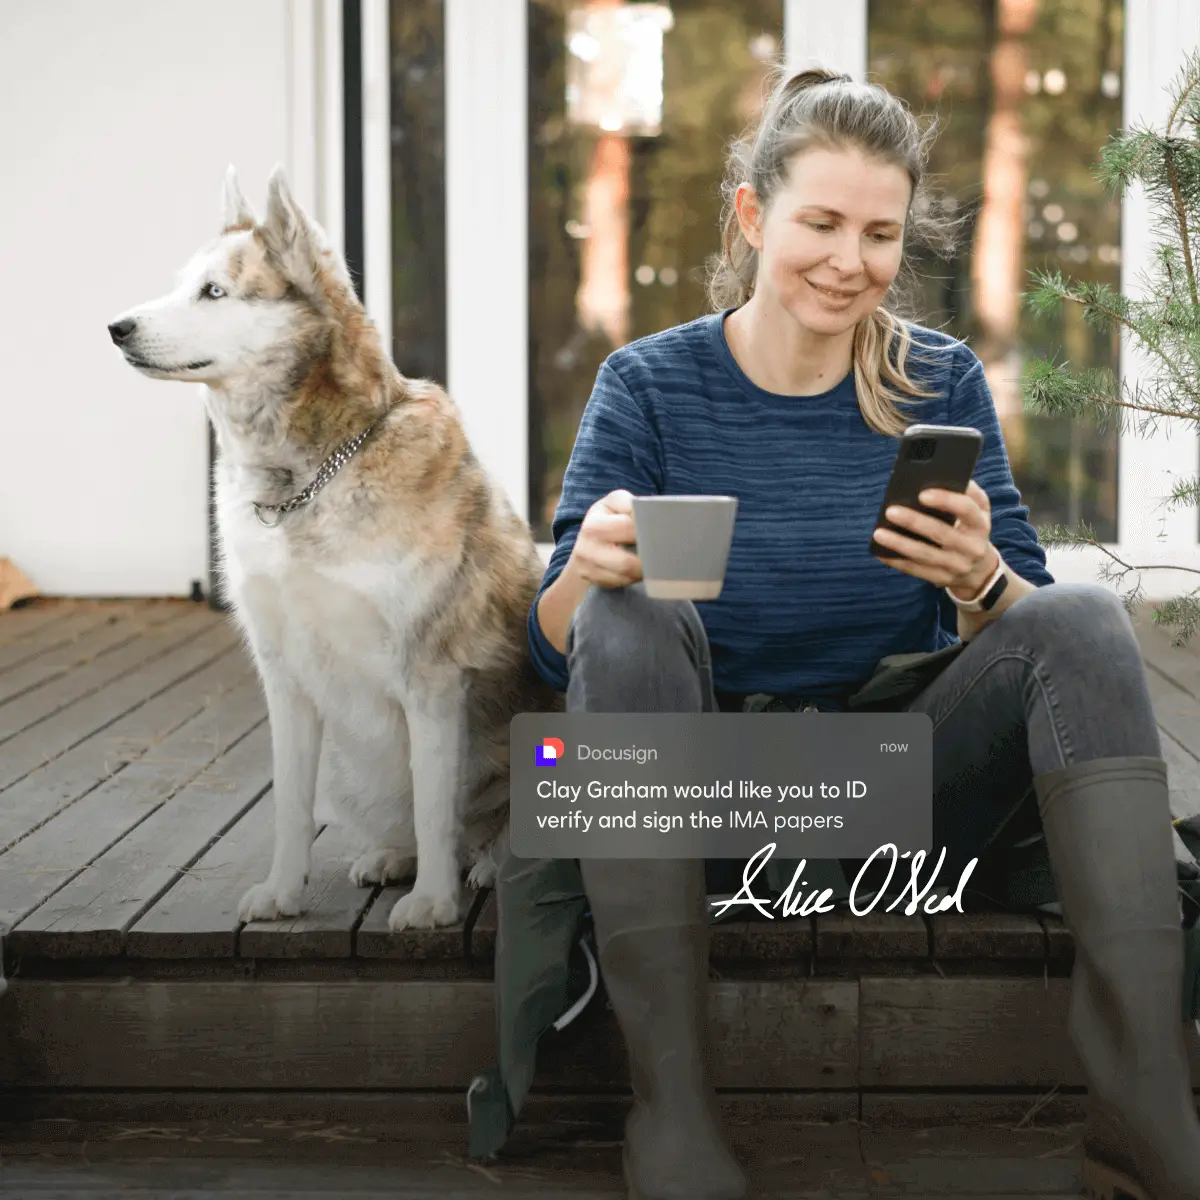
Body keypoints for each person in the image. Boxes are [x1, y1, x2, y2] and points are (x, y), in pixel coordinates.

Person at [525, 67, 1200, 1200]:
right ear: (752, 214)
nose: (850, 260)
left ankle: (1148, 1121)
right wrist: (585, 576)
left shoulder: (935, 381)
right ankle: (673, 1121)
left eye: (880, 233)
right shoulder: (646, 386)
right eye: (822, 223)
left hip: (889, 790)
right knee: (627, 611)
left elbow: (1046, 643)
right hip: (698, 807)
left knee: (1079, 612)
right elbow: (553, 654)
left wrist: (982, 578)